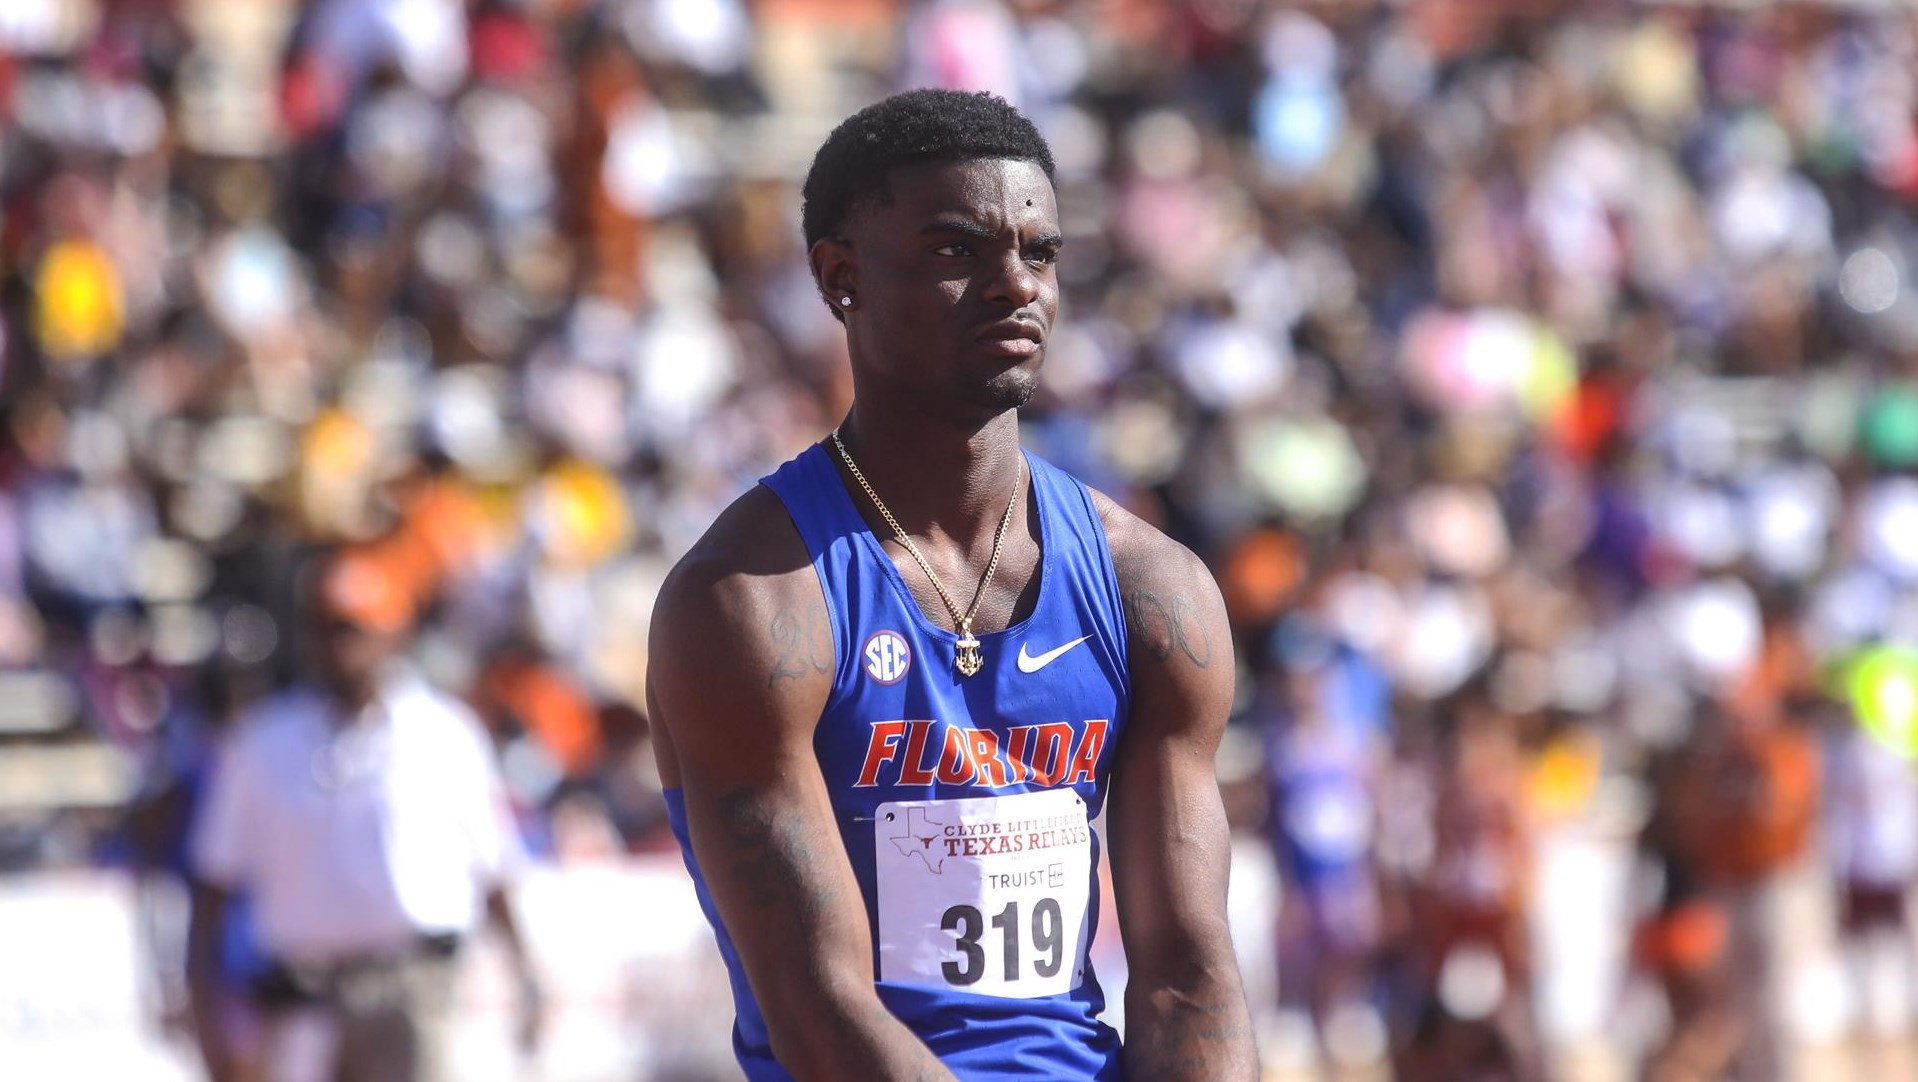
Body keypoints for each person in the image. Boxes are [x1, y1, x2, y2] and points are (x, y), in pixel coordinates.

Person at [645, 88, 1258, 1081]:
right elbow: (819, 1006)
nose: (1015, 284)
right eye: (953, 252)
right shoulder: (751, 599)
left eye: (1040, 252)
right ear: (840, 278)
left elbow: (1189, 970)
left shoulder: (1155, 589)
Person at [186, 544, 544, 1082]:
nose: (338, 646)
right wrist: (205, 1010)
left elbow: (493, 868)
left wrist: (527, 978)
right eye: (326, 628)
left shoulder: (444, 732)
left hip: (410, 992)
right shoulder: (263, 743)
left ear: (391, 633)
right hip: (301, 995)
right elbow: (213, 885)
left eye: (352, 628)